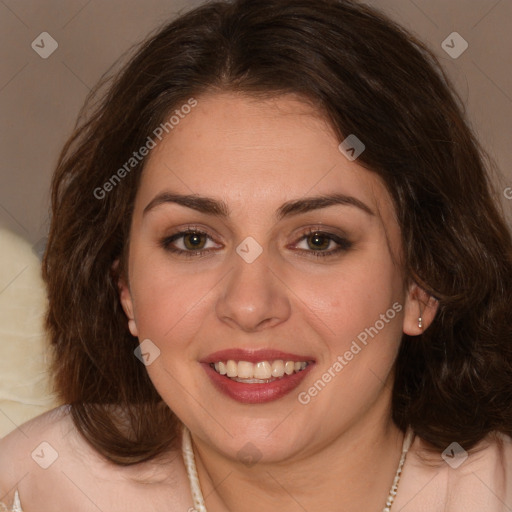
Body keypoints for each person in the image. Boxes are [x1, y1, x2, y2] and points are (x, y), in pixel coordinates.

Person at [1, 0, 511, 510]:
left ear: (423, 284)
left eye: (318, 240)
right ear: (125, 288)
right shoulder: (33, 483)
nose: (248, 305)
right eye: (193, 240)